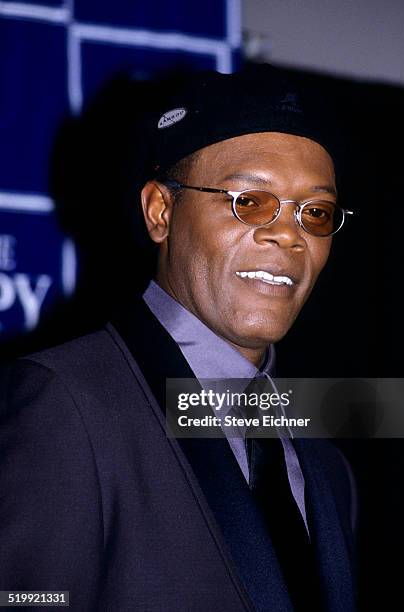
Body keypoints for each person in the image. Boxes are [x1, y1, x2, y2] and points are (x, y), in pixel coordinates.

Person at [0, 65, 357, 611]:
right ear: (161, 212)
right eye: (251, 201)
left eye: (316, 212)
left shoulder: (326, 464)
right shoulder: (67, 402)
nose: (289, 233)